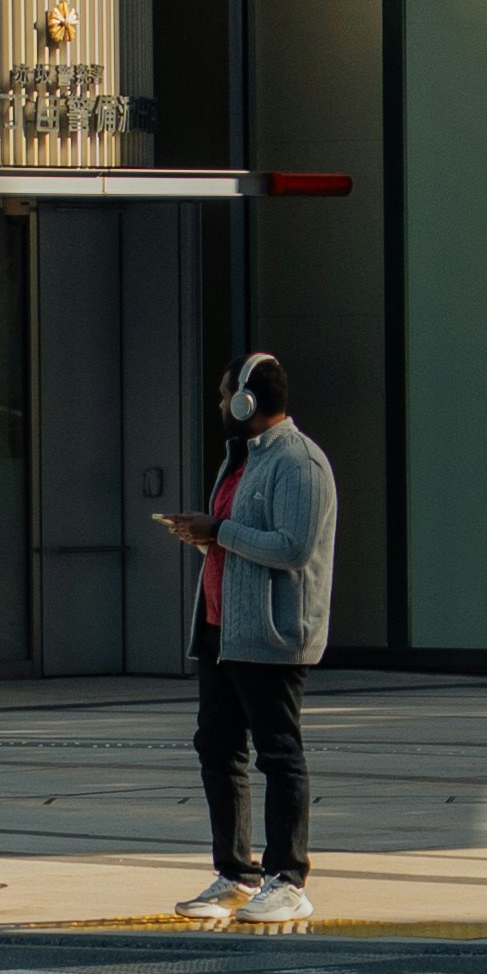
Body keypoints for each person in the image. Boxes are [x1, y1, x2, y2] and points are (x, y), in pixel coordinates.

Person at [155, 351, 338, 931]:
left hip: (270, 635)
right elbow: (239, 541)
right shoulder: (242, 459)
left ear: (246, 402)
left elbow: (292, 547)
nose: (218, 405)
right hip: (222, 630)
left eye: (223, 394)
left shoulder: (300, 463)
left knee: (279, 753)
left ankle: (289, 879)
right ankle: (236, 875)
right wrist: (204, 535)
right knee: (217, 747)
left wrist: (220, 531)